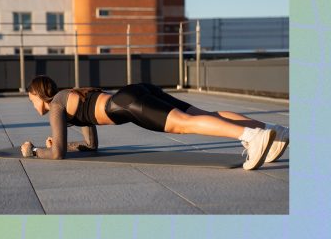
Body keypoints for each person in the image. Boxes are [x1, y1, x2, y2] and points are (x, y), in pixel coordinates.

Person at [21, 75, 289, 170]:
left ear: (38, 95)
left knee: (186, 123)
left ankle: (250, 136)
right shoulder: (72, 95)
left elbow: (56, 155)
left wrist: (34, 152)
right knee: (202, 114)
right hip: (134, 93)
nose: (32, 105)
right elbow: (91, 145)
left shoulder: (57, 103)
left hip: (130, 104)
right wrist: (62, 143)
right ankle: (270, 131)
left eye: (31, 99)